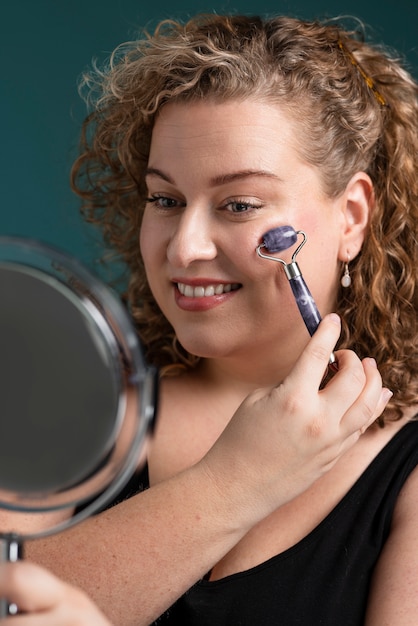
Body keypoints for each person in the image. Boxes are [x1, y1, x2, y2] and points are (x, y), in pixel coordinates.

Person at [1, 12, 417, 626]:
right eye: (165, 200)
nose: (184, 247)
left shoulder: (407, 470)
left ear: (351, 217)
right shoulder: (70, 397)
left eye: (240, 204)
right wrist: (237, 480)